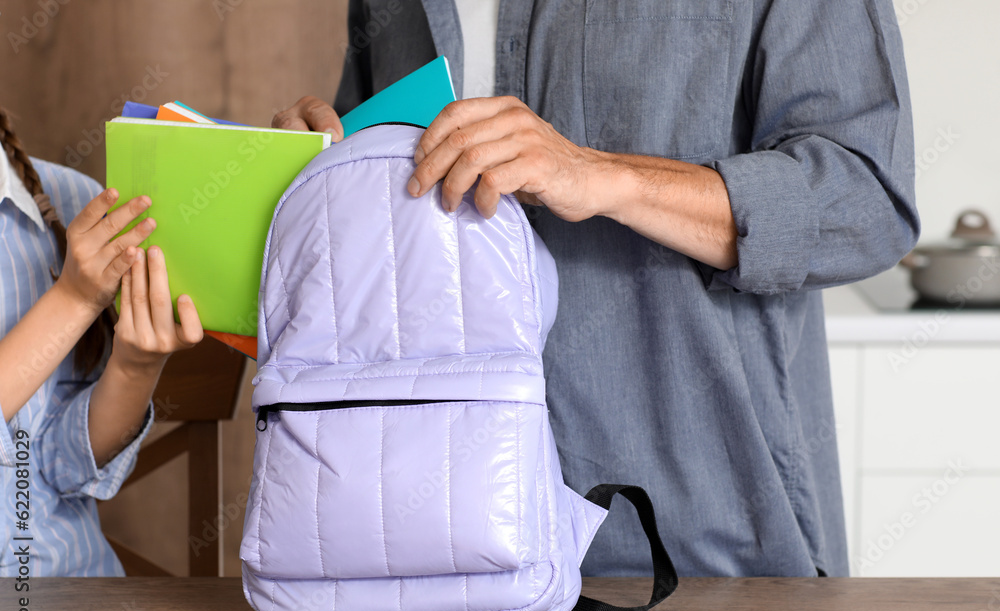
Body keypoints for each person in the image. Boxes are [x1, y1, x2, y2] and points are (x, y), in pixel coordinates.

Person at [273, 0, 919, 577]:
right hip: (444, 552)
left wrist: (606, 175)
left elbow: (865, 198)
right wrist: (326, 168)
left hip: (706, 557)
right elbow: (383, 241)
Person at [0, 108, 204, 576]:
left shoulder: (77, 203)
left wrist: (135, 366)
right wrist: (73, 298)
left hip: (77, 592)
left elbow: (61, 466)